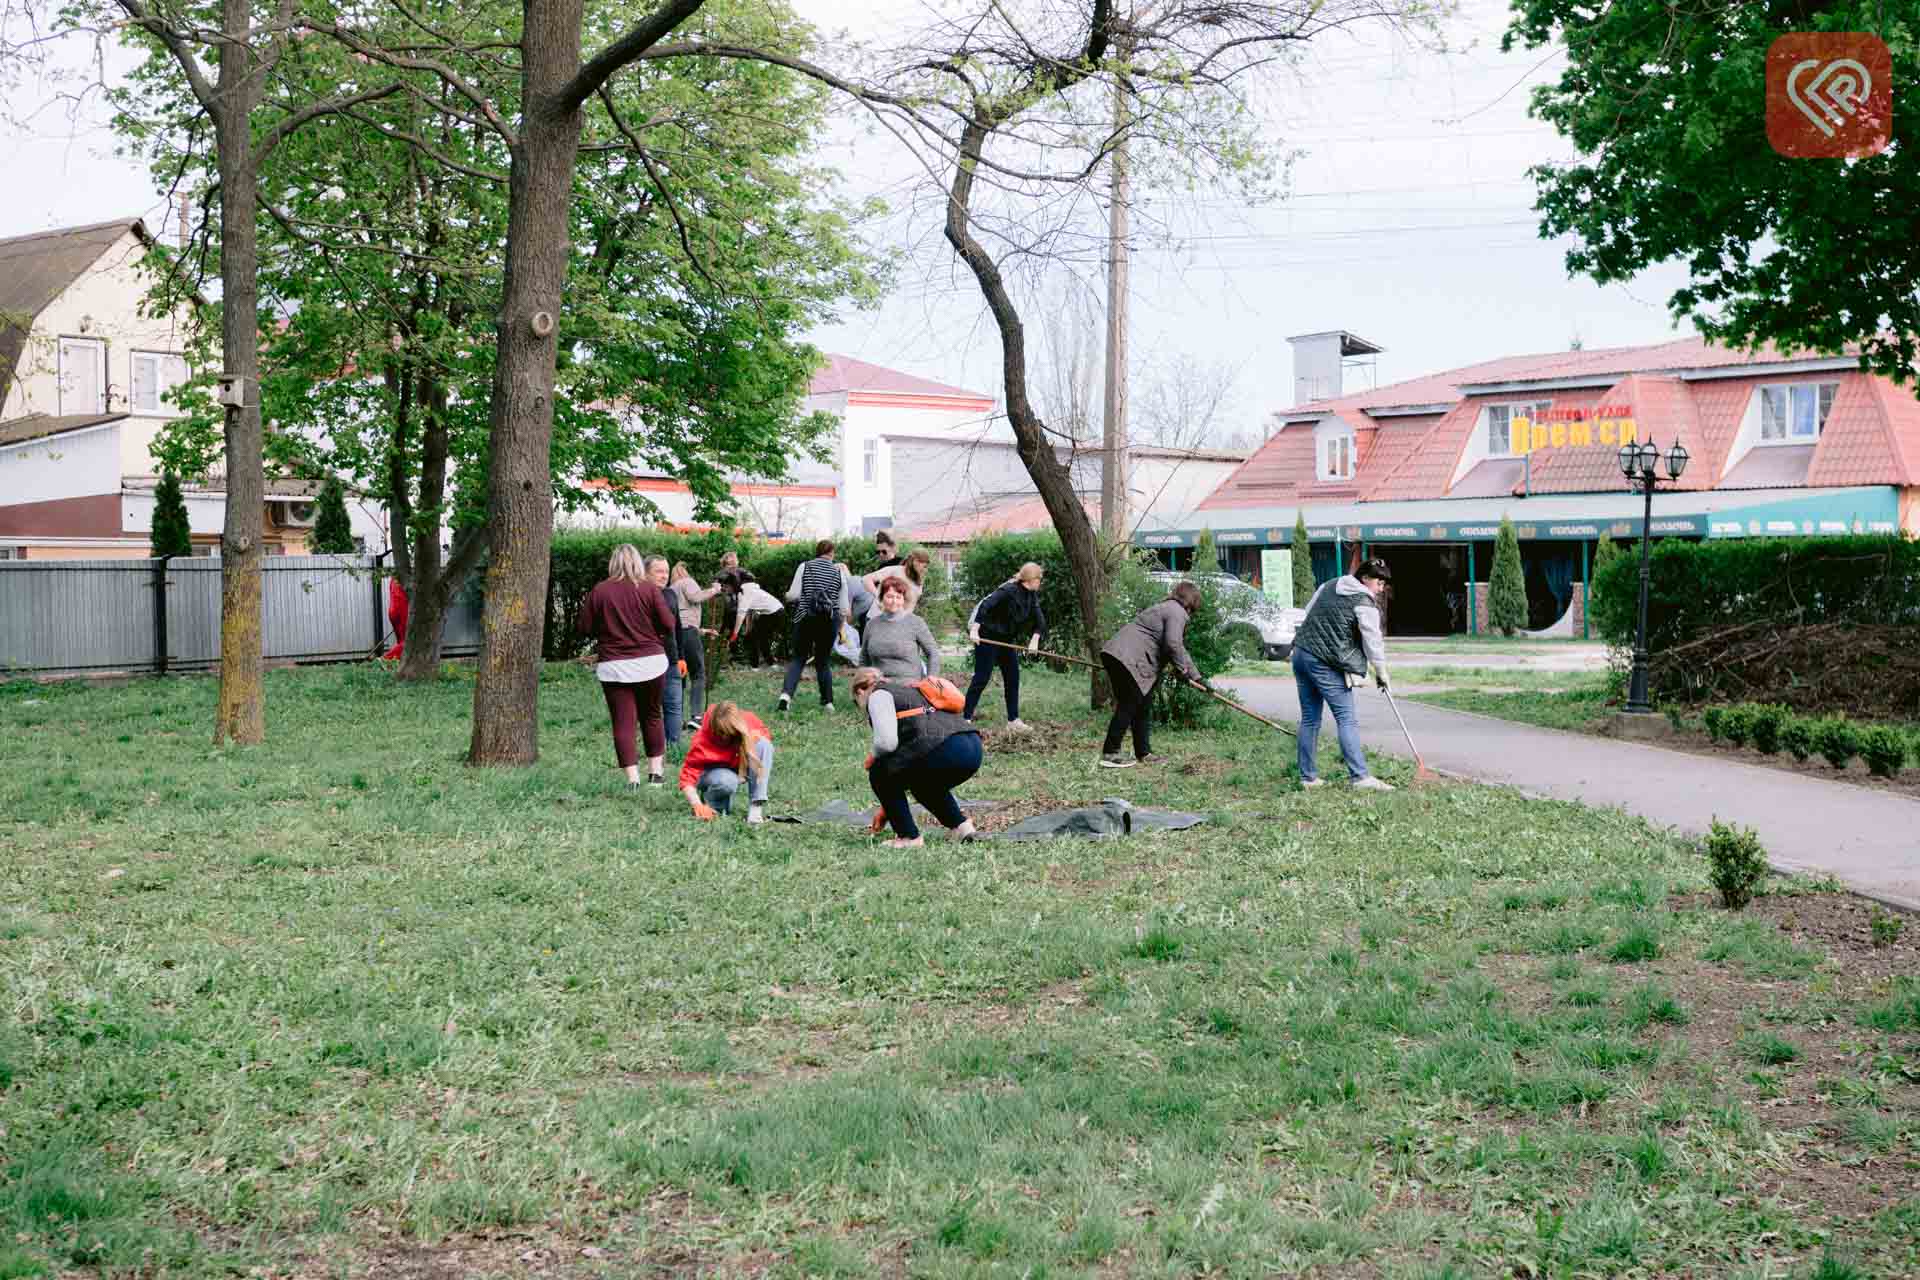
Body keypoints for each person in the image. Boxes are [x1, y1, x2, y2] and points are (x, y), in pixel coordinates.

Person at [578, 543, 677, 787]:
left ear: (613, 563)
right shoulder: (649, 589)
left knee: (623, 722)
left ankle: (633, 779)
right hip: (651, 662)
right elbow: (668, 624)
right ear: (637, 563)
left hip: (614, 665)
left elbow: (584, 628)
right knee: (653, 716)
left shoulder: (600, 591)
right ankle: (656, 774)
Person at [1292, 557, 1395, 791]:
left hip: (1300, 653)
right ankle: (1360, 777)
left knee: (1310, 719)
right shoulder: (1364, 602)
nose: (1381, 589)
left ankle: (1308, 778)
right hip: (1324, 662)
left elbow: (1307, 614)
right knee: (1346, 718)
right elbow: (1373, 642)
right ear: (1365, 579)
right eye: (1379, 583)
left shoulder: (1328, 585)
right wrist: (1382, 672)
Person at [851, 667, 982, 848]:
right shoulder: (908, 690)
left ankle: (909, 837)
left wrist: (872, 757)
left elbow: (886, 743)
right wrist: (890, 808)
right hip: (971, 748)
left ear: (859, 691)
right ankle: (962, 827)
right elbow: (906, 768)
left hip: (945, 749)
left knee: (879, 771)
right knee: (922, 783)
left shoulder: (878, 696)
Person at [1098, 580, 1208, 769]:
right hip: (1129, 658)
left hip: (1118, 654)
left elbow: (1166, 647)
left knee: (1143, 704)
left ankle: (1144, 752)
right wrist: (1194, 676)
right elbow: (1173, 644)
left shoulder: (1166, 607)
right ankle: (1110, 752)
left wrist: (1185, 672)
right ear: (1192, 601)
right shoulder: (1177, 611)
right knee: (1130, 703)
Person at [963, 561, 1046, 729]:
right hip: (988, 637)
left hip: (1006, 640)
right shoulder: (1009, 590)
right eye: (1039, 579)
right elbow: (986, 605)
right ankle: (965, 718)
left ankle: (1013, 720)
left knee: (1012, 677)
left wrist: (1035, 639)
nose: (1040, 582)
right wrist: (975, 630)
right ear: (1031, 579)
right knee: (982, 678)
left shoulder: (1031, 595)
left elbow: (1040, 620)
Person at [779, 539, 850, 712]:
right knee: (823, 661)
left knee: (798, 658)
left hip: (805, 618)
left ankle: (786, 696)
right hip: (828, 621)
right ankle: (828, 702)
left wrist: (786, 596)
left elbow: (794, 595)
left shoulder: (805, 566)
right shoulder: (838, 572)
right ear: (832, 553)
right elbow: (843, 607)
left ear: (817, 552)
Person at [678, 701, 774, 823]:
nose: (726, 738)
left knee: (763, 745)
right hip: (714, 774)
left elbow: (765, 743)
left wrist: (749, 747)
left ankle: (756, 808)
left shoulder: (748, 720)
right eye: (723, 734)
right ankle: (712, 805)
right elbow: (687, 777)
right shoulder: (702, 740)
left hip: (737, 766)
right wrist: (696, 804)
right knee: (727, 781)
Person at [670, 562, 719, 730]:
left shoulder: (671, 589)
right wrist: (714, 590)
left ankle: (676, 718)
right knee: (698, 674)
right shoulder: (687, 581)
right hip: (689, 632)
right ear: (685, 572)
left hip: (676, 634)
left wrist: (703, 631)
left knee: (679, 675)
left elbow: (682, 618)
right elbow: (696, 597)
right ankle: (696, 717)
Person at [647, 556, 690, 748]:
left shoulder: (671, 594)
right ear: (646, 573)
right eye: (659, 571)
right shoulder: (640, 595)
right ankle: (655, 747)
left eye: (666, 571)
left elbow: (678, 627)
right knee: (652, 708)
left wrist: (681, 657)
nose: (664, 575)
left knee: (674, 705)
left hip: (671, 659)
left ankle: (673, 747)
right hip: (648, 659)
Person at [861, 577, 941, 679]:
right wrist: (862, 681)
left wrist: (931, 679)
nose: (894, 601)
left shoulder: (915, 622)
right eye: (889, 596)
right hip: (879, 684)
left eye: (898, 597)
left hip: (911, 685)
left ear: (903, 600)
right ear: (881, 598)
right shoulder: (871, 625)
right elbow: (863, 657)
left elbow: (933, 652)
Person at [862, 549, 931, 614]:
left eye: (926, 567)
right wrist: (879, 597)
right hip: (878, 618)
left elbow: (911, 606)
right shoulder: (895, 570)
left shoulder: (918, 582)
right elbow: (866, 579)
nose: (925, 570)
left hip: (898, 622)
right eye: (924, 566)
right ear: (915, 562)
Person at [842, 562, 876, 632]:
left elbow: (847, 612)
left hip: (868, 611)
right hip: (868, 608)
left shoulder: (848, 584)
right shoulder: (855, 578)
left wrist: (843, 628)